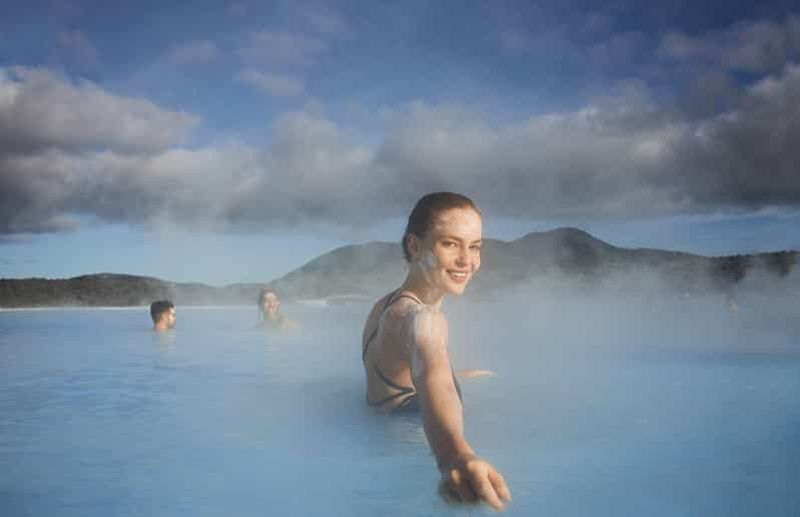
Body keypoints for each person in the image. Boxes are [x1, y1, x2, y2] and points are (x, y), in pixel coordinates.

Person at [361, 192, 511, 511]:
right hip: (409, 438)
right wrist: (455, 457)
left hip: (381, 425)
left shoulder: (386, 305)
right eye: (450, 244)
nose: (467, 261)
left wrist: (457, 376)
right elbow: (435, 380)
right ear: (415, 246)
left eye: (475, 246)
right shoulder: (424, 318)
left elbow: (418, 368)